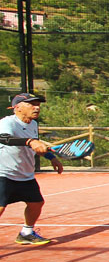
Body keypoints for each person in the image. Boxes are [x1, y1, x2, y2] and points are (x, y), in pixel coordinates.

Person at [0, 93, 63, 245]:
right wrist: (30, 141)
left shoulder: (33, 124)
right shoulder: (7, 122)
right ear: (17, 108)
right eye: (31, 104)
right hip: (4, 173)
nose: (36, 107)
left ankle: (26, 233)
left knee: (36, 203)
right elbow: (3, 138)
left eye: (38, 104)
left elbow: (35, 148)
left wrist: (51, 157)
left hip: (25, 175)